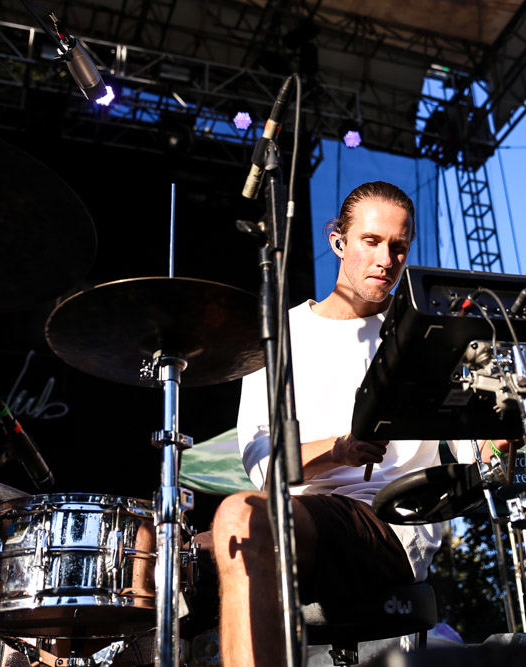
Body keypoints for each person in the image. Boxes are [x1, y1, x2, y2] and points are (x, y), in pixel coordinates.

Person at [210, 181, 507, 665]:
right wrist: (339, 450)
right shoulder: (277, 336)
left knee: (241, 517)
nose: (386, 259)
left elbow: (482, 454)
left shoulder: (427, 333)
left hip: (388, 523)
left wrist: (505, 425)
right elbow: (262, 463)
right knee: (157, 564)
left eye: (398, 247)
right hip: (297, 517)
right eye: (371, 242)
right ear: (338, 241)